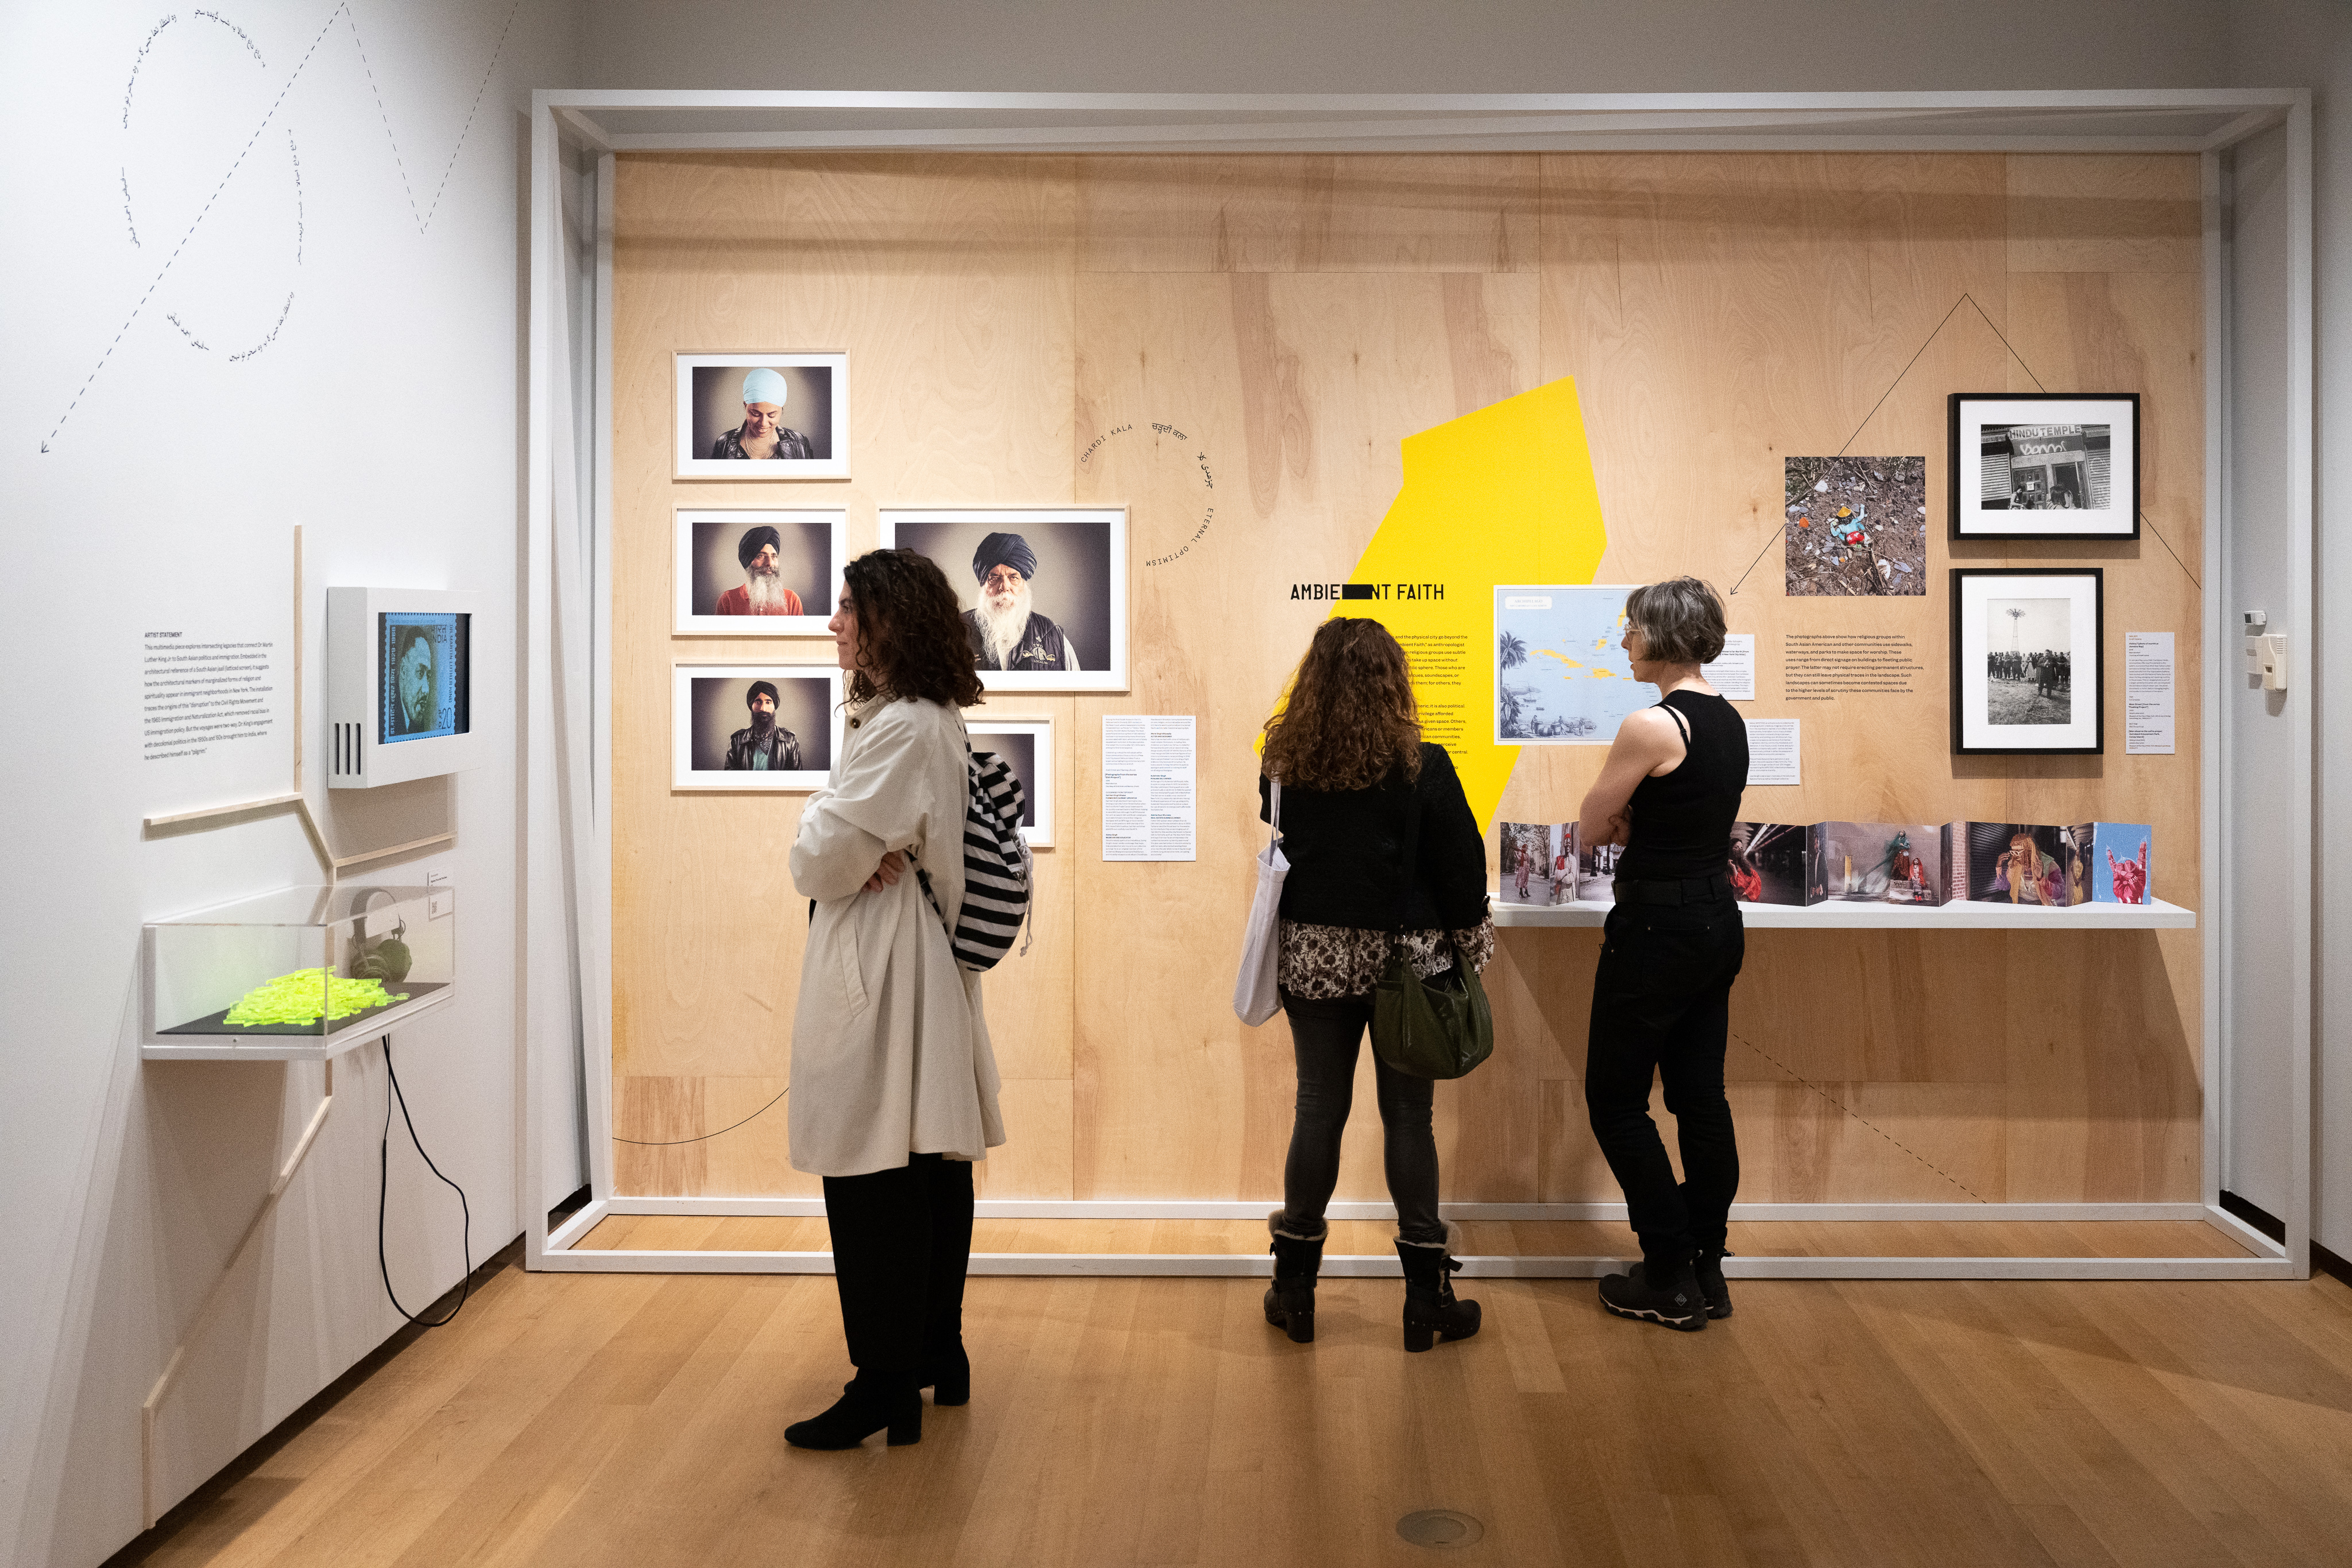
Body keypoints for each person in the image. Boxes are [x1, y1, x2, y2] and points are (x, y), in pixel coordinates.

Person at [784, 548, 1003, 1449]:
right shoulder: (918, 718)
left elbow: (814, 857)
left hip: (888, 959)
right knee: (925, 1160)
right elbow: (839, 846)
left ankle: (884, 1380)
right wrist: (842, 833)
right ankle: (932, 1356)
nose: (832, 622)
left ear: (888, 622)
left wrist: (830, 830)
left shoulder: (905, 727)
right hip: (911, 955)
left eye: (848, 608)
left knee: (874, 1171)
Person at [1255, 618, 1490, 1353]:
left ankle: (1294, 1287)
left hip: (1315, 953)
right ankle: (1426, 1297)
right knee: (1409, 1118)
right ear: (1394, 680)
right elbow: (1461, 870)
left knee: (1317, 1107)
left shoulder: (1282, 763)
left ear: (1313, 680)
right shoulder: (1426, 764)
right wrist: (1470, 946)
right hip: (1406, 961)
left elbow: (1286, 833)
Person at [1577, 577, 1749, 1332]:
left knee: (1616, 1099)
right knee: (1698, 1097)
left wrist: (1623, 826)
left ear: (1664, 635)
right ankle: (1706, 1266)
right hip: (1715, 921)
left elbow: (1591, 822)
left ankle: (1668, 1268)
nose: (1625, 639)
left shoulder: (1652, 724)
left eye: (1633, 627)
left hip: (1656, 928)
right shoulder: (1728, 720)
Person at [961, 532, 1078, 671]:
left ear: (1024, 584)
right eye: (994, 578)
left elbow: (1074, 690)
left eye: (1013, 577)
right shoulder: (957, 629)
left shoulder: (1053, 634)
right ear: (983, 584)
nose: (1004, 587)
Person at [710, 366, 817, 460]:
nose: (763, 424)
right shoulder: (724, 443)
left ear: (781, 409)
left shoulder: (800, 443)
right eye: (756, 414)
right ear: (745, 406)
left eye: (771, 415)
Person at [715, 525, 804, 617]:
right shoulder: (727, 600)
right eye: (761, 556)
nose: (770, 563)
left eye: (774, 556)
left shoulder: (792, 600)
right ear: (748, 561)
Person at [722, 681, 802, 771]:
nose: (763, 708)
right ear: (751, 706)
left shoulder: (790, 740)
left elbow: (796, 779)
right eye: (758, 702)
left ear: (774, 706)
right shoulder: (737, 741)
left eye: (768, 702)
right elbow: (730, 779)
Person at [392, 626, 436, 734]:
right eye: (420, 673)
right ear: (403, 670)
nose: (426, 690)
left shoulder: (419, 722)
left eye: (428, 677)